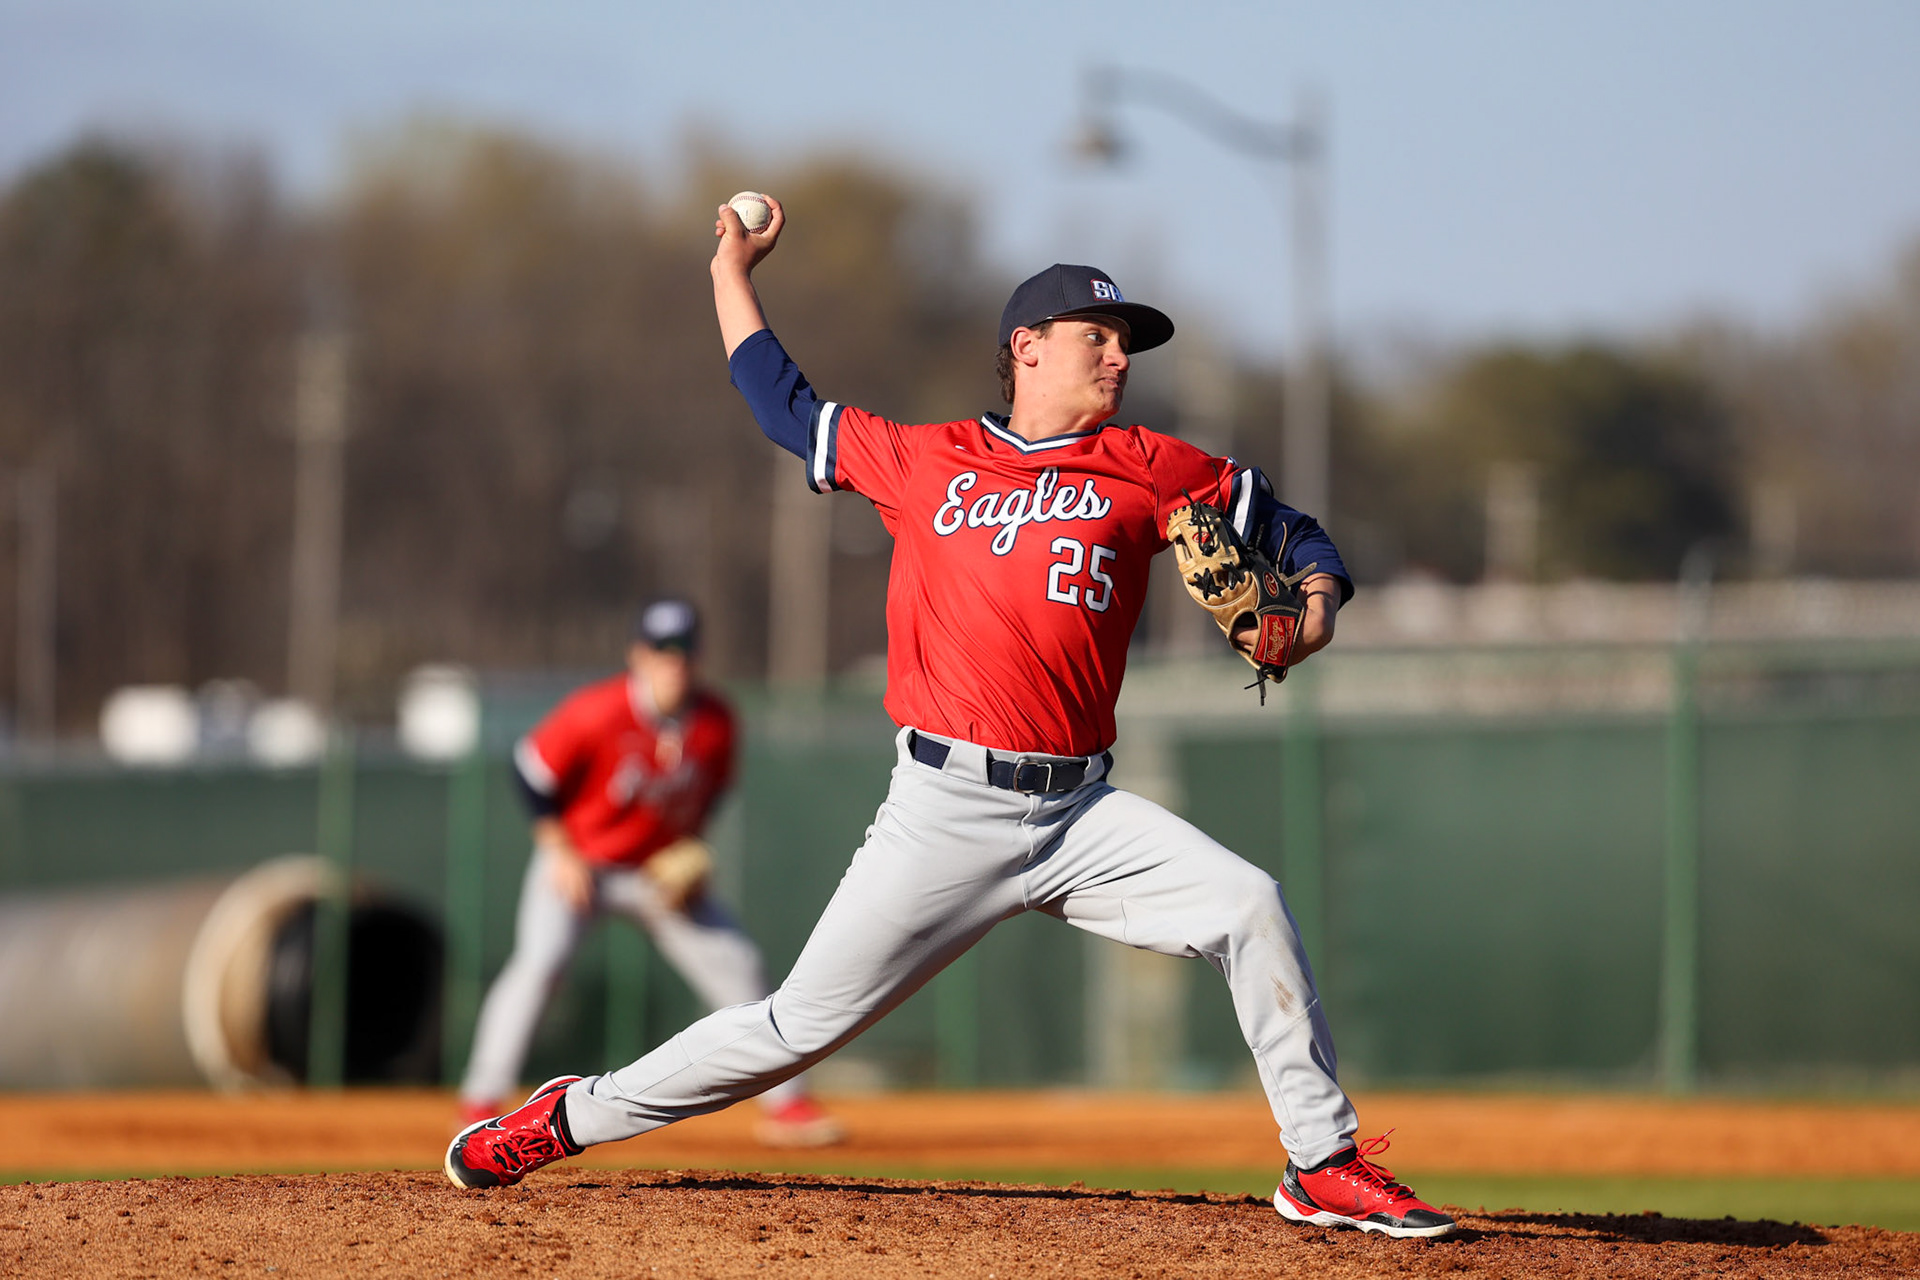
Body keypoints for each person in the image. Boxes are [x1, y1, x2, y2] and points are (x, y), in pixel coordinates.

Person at [447, 197, 1454, 1239]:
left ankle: (1320, 1161)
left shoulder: (1153, 466)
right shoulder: (925, 459)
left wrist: (1317, 602)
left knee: (1250, 906)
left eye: (1127, 343)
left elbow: (1288, 524)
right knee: (792, 1029)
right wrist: (729, 274)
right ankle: (564, 1117)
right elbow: (783, 405)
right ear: (1027, 347)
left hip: (1081, 812)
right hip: (944, 808)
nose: (1120, 357)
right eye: (1099, 336)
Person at [453, 598, 842, 1149]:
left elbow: (711, 793)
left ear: (698, 656)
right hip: (582, 865)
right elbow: (531, 773)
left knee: (739, 967)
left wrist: (690, 851)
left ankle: (788, 1105)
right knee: (538, 966)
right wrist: (559, 850)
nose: (673, 662)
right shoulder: (598, 710)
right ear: (638, 655)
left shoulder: (716, 721)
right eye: (662, 650)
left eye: (683, 650)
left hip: (657, 876)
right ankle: (480, 1101)